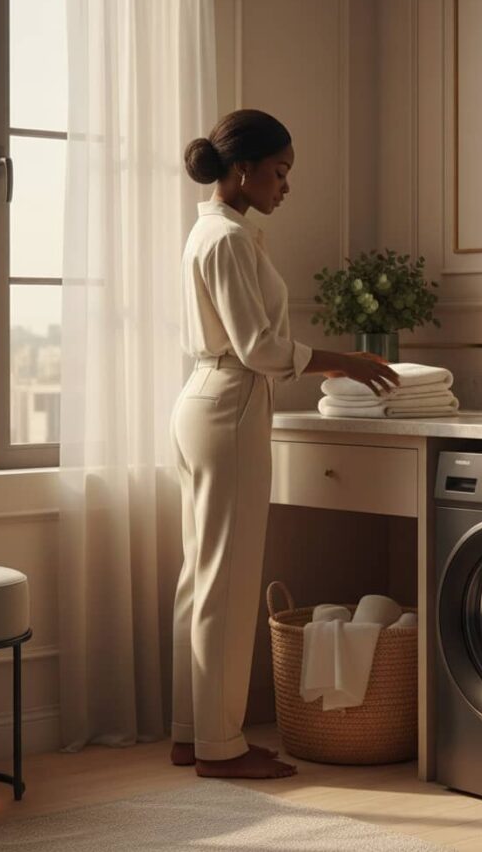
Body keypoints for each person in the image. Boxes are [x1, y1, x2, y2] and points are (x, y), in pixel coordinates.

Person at [169, 109, 400, 779]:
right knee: (230, 580)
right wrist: (344, 361)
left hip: (200, 402)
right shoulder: (231, 241)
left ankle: (194, 731)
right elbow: (261, 349)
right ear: (244, 170)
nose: (286, 186)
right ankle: (220, 746)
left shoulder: (207, 231)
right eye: (280, 171)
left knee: (201, 576)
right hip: (231, 406)